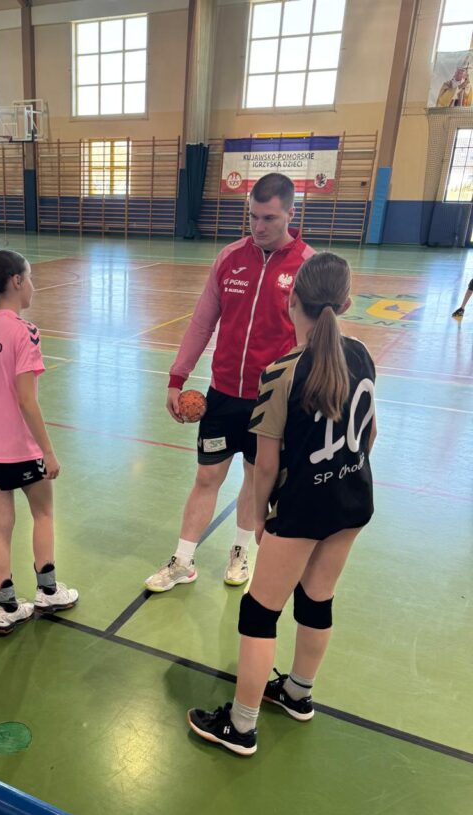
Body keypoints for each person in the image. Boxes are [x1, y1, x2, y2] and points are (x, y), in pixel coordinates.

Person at [187, 252, 377, 756]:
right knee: (317, 599)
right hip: (354, 499)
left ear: (292, 301)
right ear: (347, 304)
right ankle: (297, 693)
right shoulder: (362, 354)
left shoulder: (281, 373)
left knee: (258, 612)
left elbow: (265, 467)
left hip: (303, 509)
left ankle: (241, 726)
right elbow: (370, 434)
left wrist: (263, 518)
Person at [145, 173, 315, 594]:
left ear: (290, 213)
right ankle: (183, 561)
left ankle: (240, 551)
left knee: (255, 480)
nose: (258, 227)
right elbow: (202, 321)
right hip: (222, 395)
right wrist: (177, 376)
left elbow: (313, 340)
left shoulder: (306, 265)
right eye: (253, 216)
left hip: (271, 402)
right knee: (206, 477)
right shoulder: (230, 258)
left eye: (269, 218)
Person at [0, 250, 78, 636]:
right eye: (30, 277)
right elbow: (26, 399)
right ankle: (47, 591)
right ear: (16, 281)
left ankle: (7, 608)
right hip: (19, 446)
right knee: (43, 514)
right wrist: (47, 451)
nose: (33, 285)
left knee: (0, 526)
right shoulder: (25, 331)